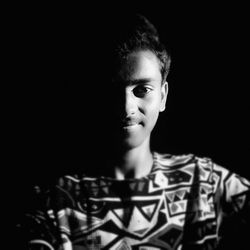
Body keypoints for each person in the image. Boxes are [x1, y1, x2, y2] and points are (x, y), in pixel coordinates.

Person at [15, 13, 250, 250]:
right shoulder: (54, 202)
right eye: (112, 91)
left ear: (163, 96)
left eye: (142, 89)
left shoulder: (205, 183)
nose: (126, 107)